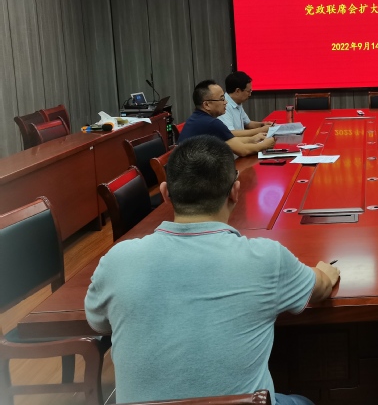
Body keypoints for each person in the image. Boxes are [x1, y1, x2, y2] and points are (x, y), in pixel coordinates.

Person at [85, 136, 340, 404]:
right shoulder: (266, 258)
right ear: (235, 191)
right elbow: (320, 289)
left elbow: (98, 322)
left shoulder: (117, 261)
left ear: (165, 194)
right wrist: (325, 272)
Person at [178, 79, 276, 156]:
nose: (226, 102)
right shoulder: (211, 123)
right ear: (207, 104)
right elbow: (243, 151)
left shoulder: (196, 118)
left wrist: (253, 139)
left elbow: (229, 141)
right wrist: (264, 145)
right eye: (221, 99)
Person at [218, 71, 274, 136]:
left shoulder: (237, 102)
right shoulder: (224, 105)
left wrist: (262, 124)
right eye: (248, 91)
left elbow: (248, 123)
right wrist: (261, 130)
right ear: (238, 91)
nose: (250, 94)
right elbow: (231, 133)